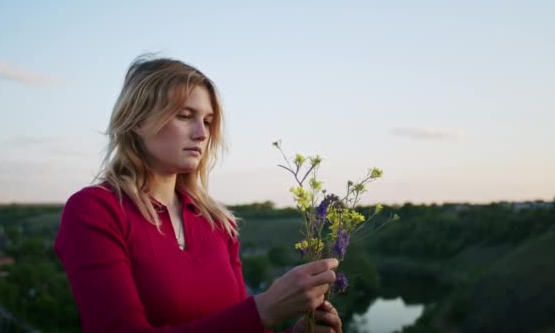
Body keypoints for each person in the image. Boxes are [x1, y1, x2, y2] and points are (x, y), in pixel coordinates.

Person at [54, 55, 343, 333]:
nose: (202, 133)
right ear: (138, 121)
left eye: (207, 121)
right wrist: (264, 310)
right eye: (185, 116)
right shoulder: (95, 210)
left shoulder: (217, 222)